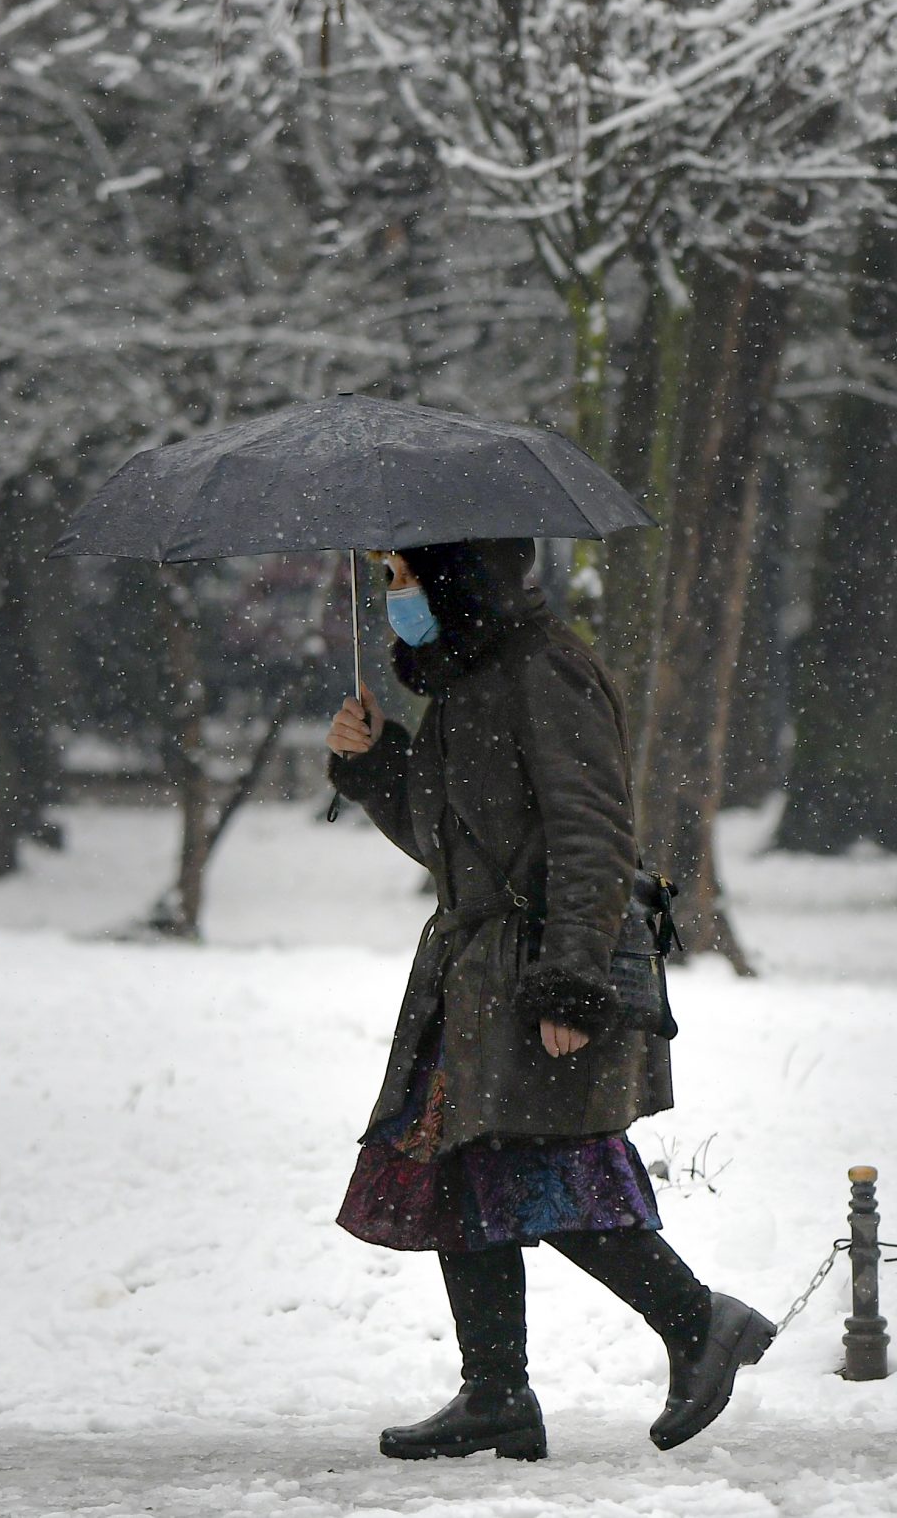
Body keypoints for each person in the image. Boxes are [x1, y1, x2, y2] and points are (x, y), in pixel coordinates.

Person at [325, 537, 773, 1462]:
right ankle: (496, 1392)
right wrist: (375, 765)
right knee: (463, 1164)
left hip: (539, 969)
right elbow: (449, 844)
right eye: (387, 581)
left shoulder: (546, 670)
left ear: (459, 574)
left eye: (406, 576)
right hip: (475, 972)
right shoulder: (461, 683)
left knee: (548, 1168)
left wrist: (573, 979)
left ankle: (698, 1322)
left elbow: (595, 832)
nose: (396, 597)